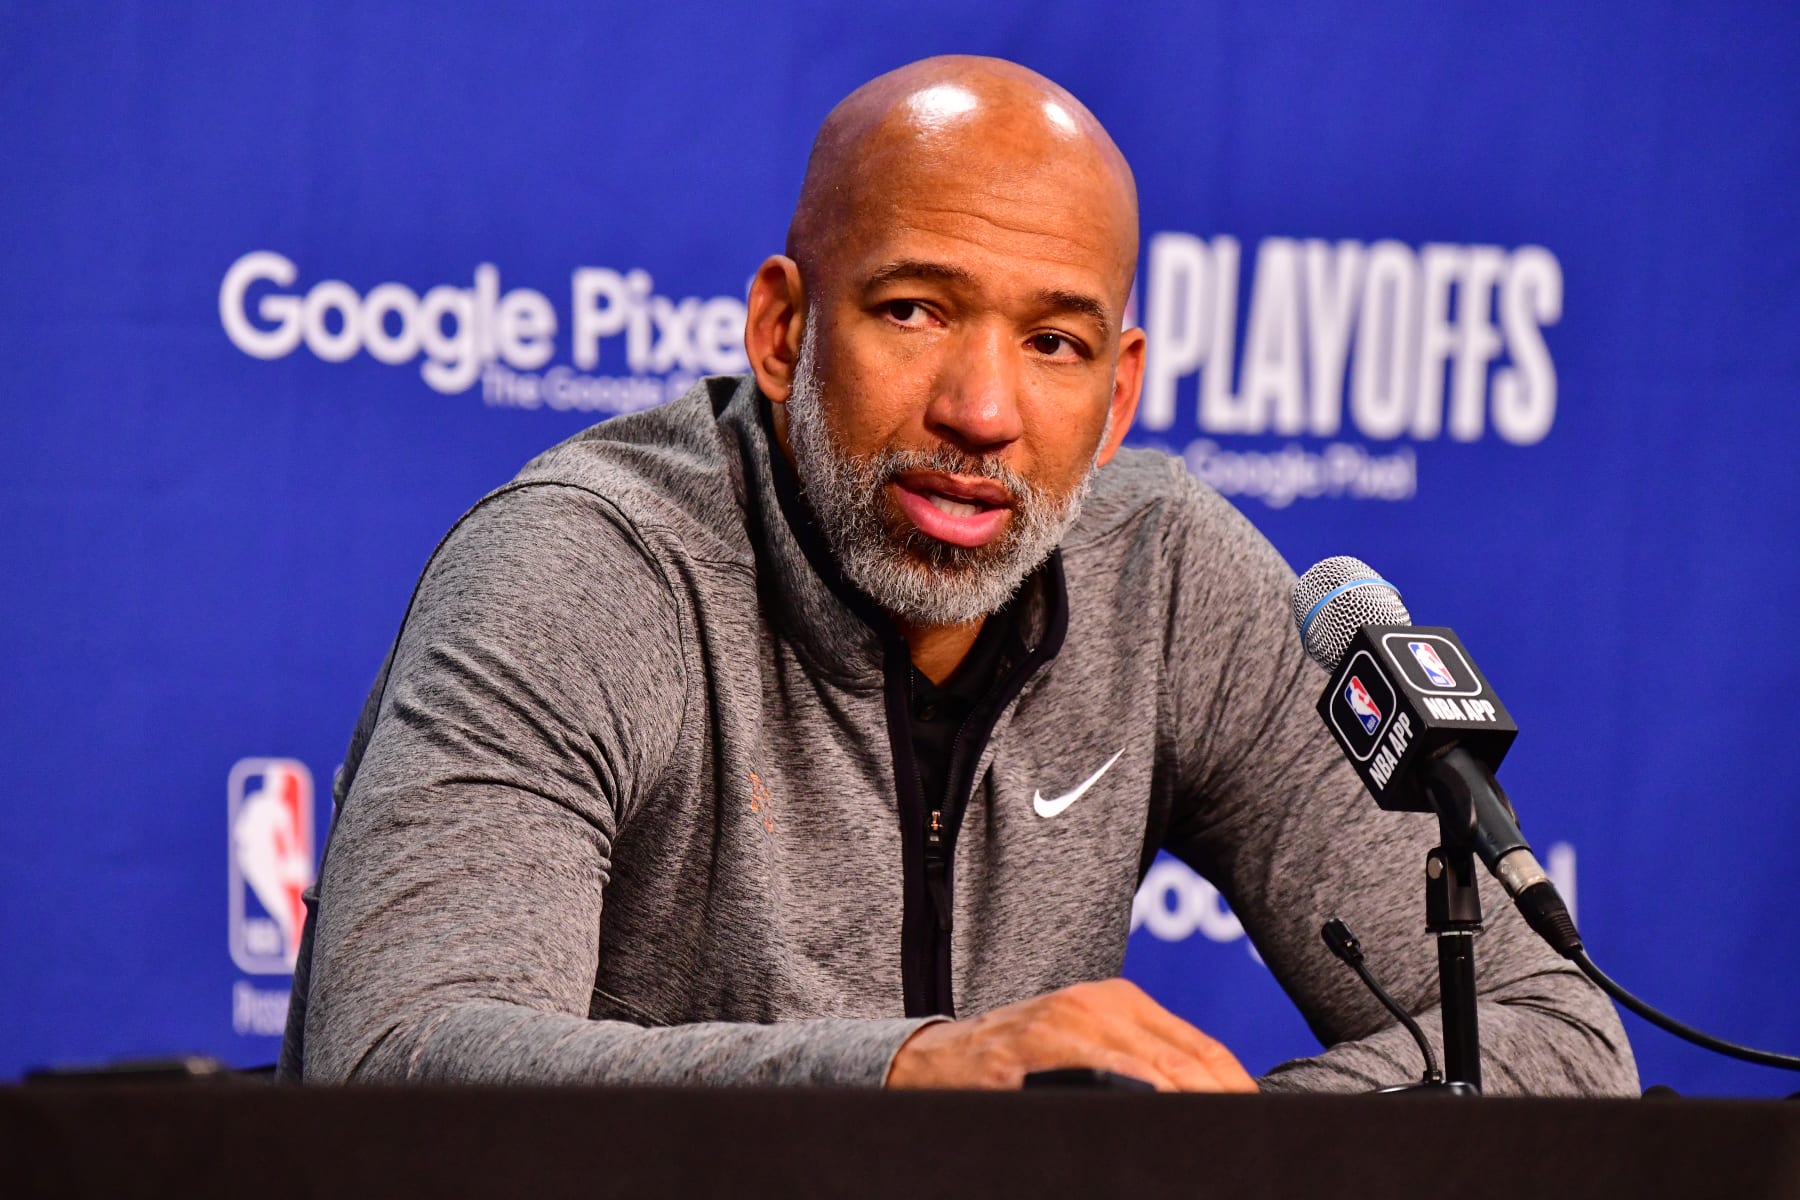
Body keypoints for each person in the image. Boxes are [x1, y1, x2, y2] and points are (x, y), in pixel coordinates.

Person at [281, 55, 1637, 1094]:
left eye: (1054, 344)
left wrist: (1207, 1155)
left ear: (1118, 398)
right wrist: (911, 1078)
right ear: (782, 331)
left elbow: (1554, 1033)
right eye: (916, 310)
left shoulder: (1165, 580)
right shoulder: (584, 568)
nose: (982, 411)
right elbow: (400, 1057)